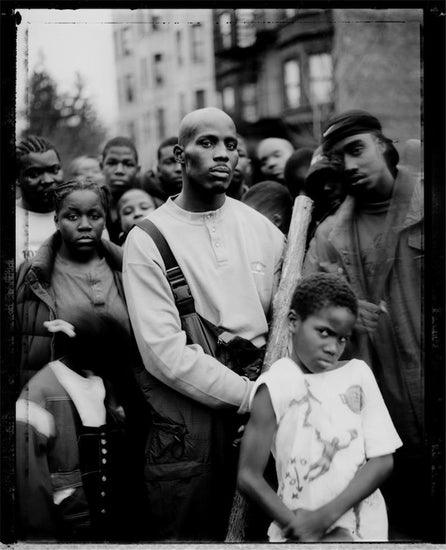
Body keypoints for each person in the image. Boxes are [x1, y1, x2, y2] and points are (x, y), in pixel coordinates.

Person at [123, 107, 285, 541]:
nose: (222, 155)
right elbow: (164, 353)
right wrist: (250, 397)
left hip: (267, 419)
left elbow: (284, 322)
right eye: (207, 143)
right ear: (180, 155)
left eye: (231, 145)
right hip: (188, 425)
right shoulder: (149, 238)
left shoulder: (262, 230)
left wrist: (270, 397)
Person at [302, 110, 424, 540]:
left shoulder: (432, 203)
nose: (350, 165)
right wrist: (345, 320)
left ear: (384, 146)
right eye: (338, 159)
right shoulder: (329, 236)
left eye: (357, 150)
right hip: (380, 421)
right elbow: (308, 330)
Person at [15, 176, 149, 538]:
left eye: (95, 215)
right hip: (62, 406)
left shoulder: (129, 267)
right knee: (71, 500)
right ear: (56, 218)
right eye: (73, 215)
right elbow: (21, 347)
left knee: (122, 500)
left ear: (108, 218)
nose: (85, 224)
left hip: (125, 403)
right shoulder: (34, 276)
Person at [237, 273, 402, 542]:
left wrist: (325, 517)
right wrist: (300, 527)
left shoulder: (358, 375)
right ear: (293, 321)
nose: (332, 347)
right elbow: (248, 476)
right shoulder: (274, 386)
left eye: (342, 338)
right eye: (324, 332)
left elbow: (382, 460)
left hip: (365, 528)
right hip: (298, 531)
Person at [15, 316, 146, 542]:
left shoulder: (102, 382)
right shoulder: (37, 398)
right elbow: (30, 492)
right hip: (66, 532)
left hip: (109, 531)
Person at [15, 135, 64, 269]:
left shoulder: (82, 216)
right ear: (17, 179)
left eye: (54, 170)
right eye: (34, 174)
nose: (48, 180)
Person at [100, 136, 141, 243]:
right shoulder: (93, 204)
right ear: (101, 167)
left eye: (128, 164)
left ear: (138, 170)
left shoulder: (150, 206)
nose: (119, 170)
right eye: (112, 163)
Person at [140, 137, 182, 203]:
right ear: (158, 170)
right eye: (169, 162)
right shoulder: (144, 200)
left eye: (183, 160)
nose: (179, 168)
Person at [226, 134, 252, 200]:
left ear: (249, 166)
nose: (233, 159)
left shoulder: (258, 205)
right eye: (227, 152)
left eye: (240, 154)